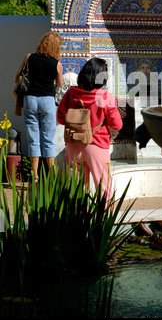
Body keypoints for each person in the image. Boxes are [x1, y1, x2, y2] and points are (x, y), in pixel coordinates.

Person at [57, 57, 123, 198]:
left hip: (74, 144)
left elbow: (60, 118)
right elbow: (117, 124)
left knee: (76, 190)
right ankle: (103, 218)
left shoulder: (70, 94)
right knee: (104, 187)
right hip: (97, 144)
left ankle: (80, 218)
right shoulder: (104, 97)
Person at [15, 31, 63, 181]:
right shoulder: (57, 64)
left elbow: (17, 77)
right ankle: (51, 175)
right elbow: (60, 84)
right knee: (48, 139)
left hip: (30, 100)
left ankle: (35, 175)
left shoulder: (29, 57)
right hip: (47, 101)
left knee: (33, 139)